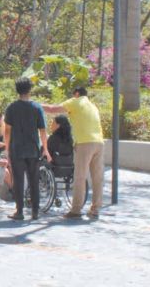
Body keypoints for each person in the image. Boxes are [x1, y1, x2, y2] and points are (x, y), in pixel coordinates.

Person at [42, 86, 104, 220]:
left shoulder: (76, 101)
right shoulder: (93, 106)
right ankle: (95, 209)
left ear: (76, 93)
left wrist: (35, 104)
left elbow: (52, 109)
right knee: (97, 178)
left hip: (85, 143)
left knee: (80, 177)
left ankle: (76, 210)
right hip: (99, 142)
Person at [4, 77, 51, 221]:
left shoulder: (11, 108)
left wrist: (7, 149)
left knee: (18, 181)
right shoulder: (37, 108)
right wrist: (45, 149)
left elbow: (7, 131)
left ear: (17, 90)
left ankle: (19, 211)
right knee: (34, 180)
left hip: (17, 149)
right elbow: (42, 131)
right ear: (30, 90)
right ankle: (35, 212)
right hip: (33, 150)